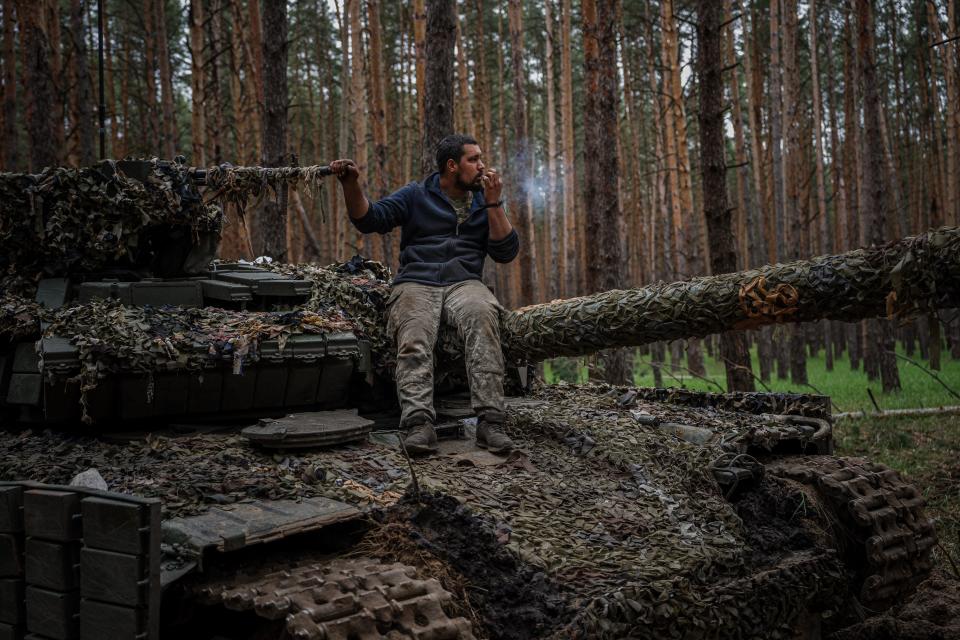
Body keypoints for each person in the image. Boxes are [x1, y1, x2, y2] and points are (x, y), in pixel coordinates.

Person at [330, 134, 519, 456]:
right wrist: (350, 185)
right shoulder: (417, 195)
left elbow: (505, 252)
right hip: (417, 280)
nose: (482, 165)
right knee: (414, 335)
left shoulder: (483, 200)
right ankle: (418, 424)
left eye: (480, 158)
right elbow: (369, 219)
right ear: (451, 165)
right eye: (473, 159)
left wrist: (493, 203)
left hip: (465, 282)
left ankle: (491, 423)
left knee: (483, 317)